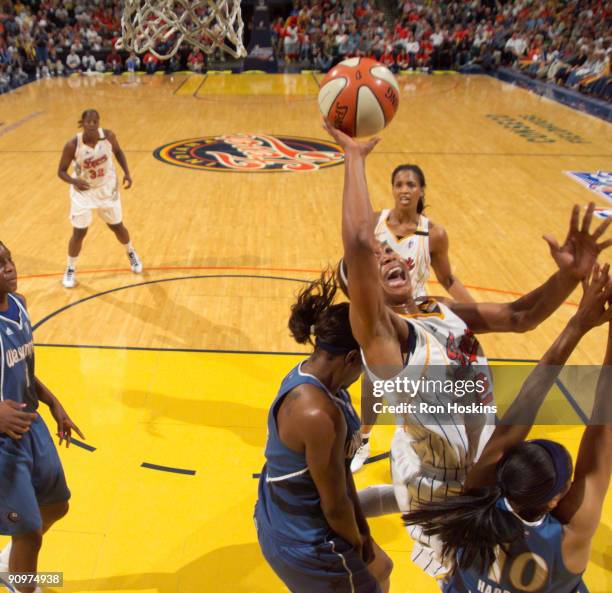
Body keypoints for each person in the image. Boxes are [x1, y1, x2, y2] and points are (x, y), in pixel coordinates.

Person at [323, 119, 611, 580]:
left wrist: (569, 276)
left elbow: (522, 317)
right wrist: (353, 158)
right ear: (360, 291)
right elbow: (358, 244)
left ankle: (332, 504)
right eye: (376, 261)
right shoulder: (382, 339)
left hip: (480, 457)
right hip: (448, 488)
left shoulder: (438, 308)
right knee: (467, 576)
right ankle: (329, 509)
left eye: (390, 252)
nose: (388, 256)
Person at [404, 263, 612, 593]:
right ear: (556, 501)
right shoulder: (568, 538)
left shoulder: (476, 504)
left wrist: (578, 325)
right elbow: (601, 428)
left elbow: (596, 423)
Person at [254, 271, 393, 593]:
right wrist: (358, 544)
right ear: (351, 358)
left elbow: (342, 476)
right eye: (367, 363)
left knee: (383, 567)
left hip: (286, 513)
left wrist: (365, 534)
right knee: (371, 579)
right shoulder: (318, 414)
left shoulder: (319, 377)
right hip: (302, 540)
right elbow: (334, 506)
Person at [352, 162, 475, 472]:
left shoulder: (433, 234)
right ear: (392, 189)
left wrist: (473, 312)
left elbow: (448, 279)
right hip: (379, 318)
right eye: (399, 184)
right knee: (373, 386)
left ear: (421, 190)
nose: (404, 190)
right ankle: (363, 439)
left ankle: (416, 440)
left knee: (421, 388)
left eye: (410, 185)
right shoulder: (375, 223)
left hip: (415, 320)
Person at [0, 242, 84, 593]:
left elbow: (22, 367)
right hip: (3, 444)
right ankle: (23, 586)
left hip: (30, 424)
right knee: (29, 532)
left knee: (57, 505)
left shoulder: (19, 304)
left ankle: (9, 564)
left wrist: (52, 402)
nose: (9, 267)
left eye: (8, 259)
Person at [57, 109, 143, 288]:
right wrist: (74, 181)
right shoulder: (73, 144)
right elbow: (61, 171)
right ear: (83, 123)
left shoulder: (108, 137)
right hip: (83, 191)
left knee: (117, 227)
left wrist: (127, 173)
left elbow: (118, 152)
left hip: (106, 188)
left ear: (98, 122)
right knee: (79, 233)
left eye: (95, 121)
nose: (91, 125)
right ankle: (70, 268)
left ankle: (131, 252)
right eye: (88, 122)